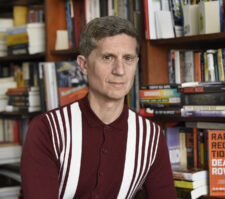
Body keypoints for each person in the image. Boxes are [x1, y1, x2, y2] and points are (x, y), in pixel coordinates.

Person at [20, 16, 177, 199]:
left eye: (128, 58)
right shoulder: (47, 129)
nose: (119, 70)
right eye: (107, 57)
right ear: (84, 65)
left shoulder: (151, 136)